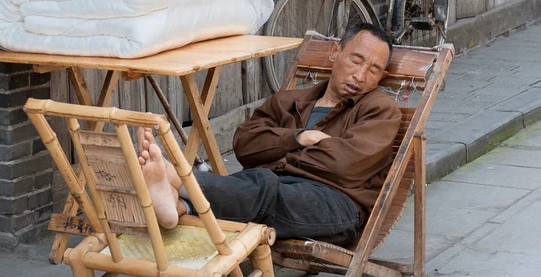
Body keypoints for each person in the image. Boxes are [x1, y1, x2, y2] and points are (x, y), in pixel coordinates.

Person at [137, 23, 401, 246]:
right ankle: (178, 206)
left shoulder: (380, 110)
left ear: (382, 76)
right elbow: (245, 145)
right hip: (271, 188)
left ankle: (180, 180)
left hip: (335, 204)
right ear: (335, 53)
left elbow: (346, 165)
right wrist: (298, 138)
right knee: (261, 184)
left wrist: (279, 156)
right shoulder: (288, 101)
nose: (360, 75)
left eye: (374, 70)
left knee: (264, 184)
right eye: (356, 60)